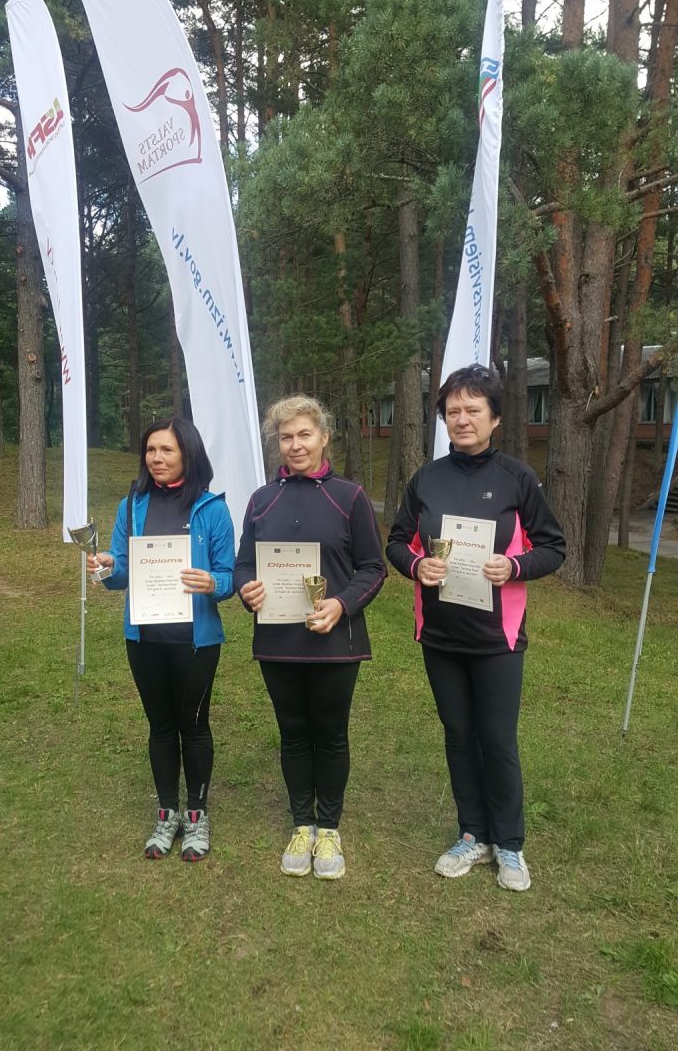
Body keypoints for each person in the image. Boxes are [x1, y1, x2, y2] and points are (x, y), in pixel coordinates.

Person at [386, 365, 565, 892]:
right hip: (440, 635)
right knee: (459, 737)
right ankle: (473, 834)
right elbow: (396, 542)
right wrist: (416, 565)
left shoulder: (516, 478)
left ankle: (509, 843)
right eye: (453, 411)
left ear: (495, 418)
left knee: (498, 740)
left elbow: (553, 547)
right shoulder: (426, 479)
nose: (462, 419)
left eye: (473, 410)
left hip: (496, 639)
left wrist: (514, 566)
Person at [234, 395, 386, 880]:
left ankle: (330, 829)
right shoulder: (261, 500)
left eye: (304, 434)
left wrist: (341, 604)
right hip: (278, 641)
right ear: (277, 444)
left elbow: (373, 568)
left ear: (324, 437)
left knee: (331, 733)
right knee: (293, 732)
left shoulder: (350, 497)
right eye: (286, 437)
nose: (295, 445)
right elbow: (243, 564)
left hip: (334, 641)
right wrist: (246, 589)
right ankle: (303, 823)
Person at [89, 417, 235, 863]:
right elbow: (121, 571)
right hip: (144, 638)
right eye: (150, 450)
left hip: (196, 641)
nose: (156, 458)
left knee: (194, 724)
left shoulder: (213, 509)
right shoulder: (131, 506)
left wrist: (213, 583)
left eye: (166, 450)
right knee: (160, 725)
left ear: (187, 454)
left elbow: (229, 577)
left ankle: (196, 814)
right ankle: (167, 812)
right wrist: (107, 567)